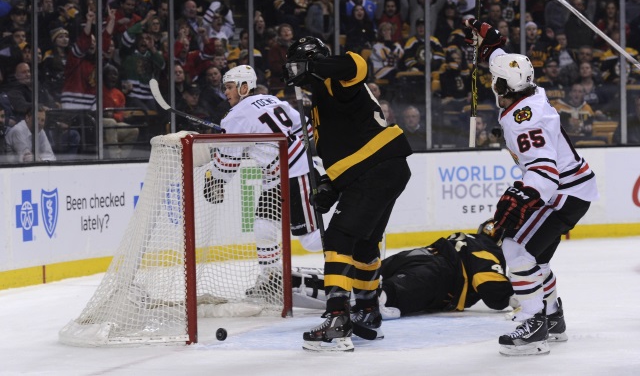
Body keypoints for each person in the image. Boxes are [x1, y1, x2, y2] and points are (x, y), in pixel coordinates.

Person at [464, 18, 598, 356]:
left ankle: (533, 322)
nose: (491, 81)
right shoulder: (526, 90)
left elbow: (544, 170)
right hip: (573, 187)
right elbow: (503, 60)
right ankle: (553, 317)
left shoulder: (527, 121)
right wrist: (487, 37)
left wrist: (524, 194)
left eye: (493, 80)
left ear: (502, 88)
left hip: (562, 190)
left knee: (516, 249)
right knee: (534, 258)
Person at [283, 36, 412, 352]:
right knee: (364, 242)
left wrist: (316, 65)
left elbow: (358, 63)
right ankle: (367, 311)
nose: (293, 71)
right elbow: (348, 150)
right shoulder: (323, 98)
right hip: (384, 168)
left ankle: (338, 317)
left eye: (298, 63)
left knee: (339, 240)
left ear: (313, 61)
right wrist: (331, 183)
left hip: (377, 169)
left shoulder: (334, 80)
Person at [202, 65, 323, 300]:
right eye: (225, 88)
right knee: (264, 228)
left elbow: (227, 163)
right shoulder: (270, 99)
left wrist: (214, 181)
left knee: (309, 240)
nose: (226, 92)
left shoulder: (235, 117)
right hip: (278, 177)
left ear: (244, 87)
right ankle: (271, 280)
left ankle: (357, 246)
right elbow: (306, 126)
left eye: (229, 87)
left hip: (296, 175)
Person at [292, 220, 513, 316]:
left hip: (417, 254)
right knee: (382, 297)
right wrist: (515, 296)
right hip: (436, 275)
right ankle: (307, 289)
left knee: (365, 280)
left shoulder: (469, 239)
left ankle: (299, 280)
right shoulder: (488, 251)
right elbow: (493, 291)